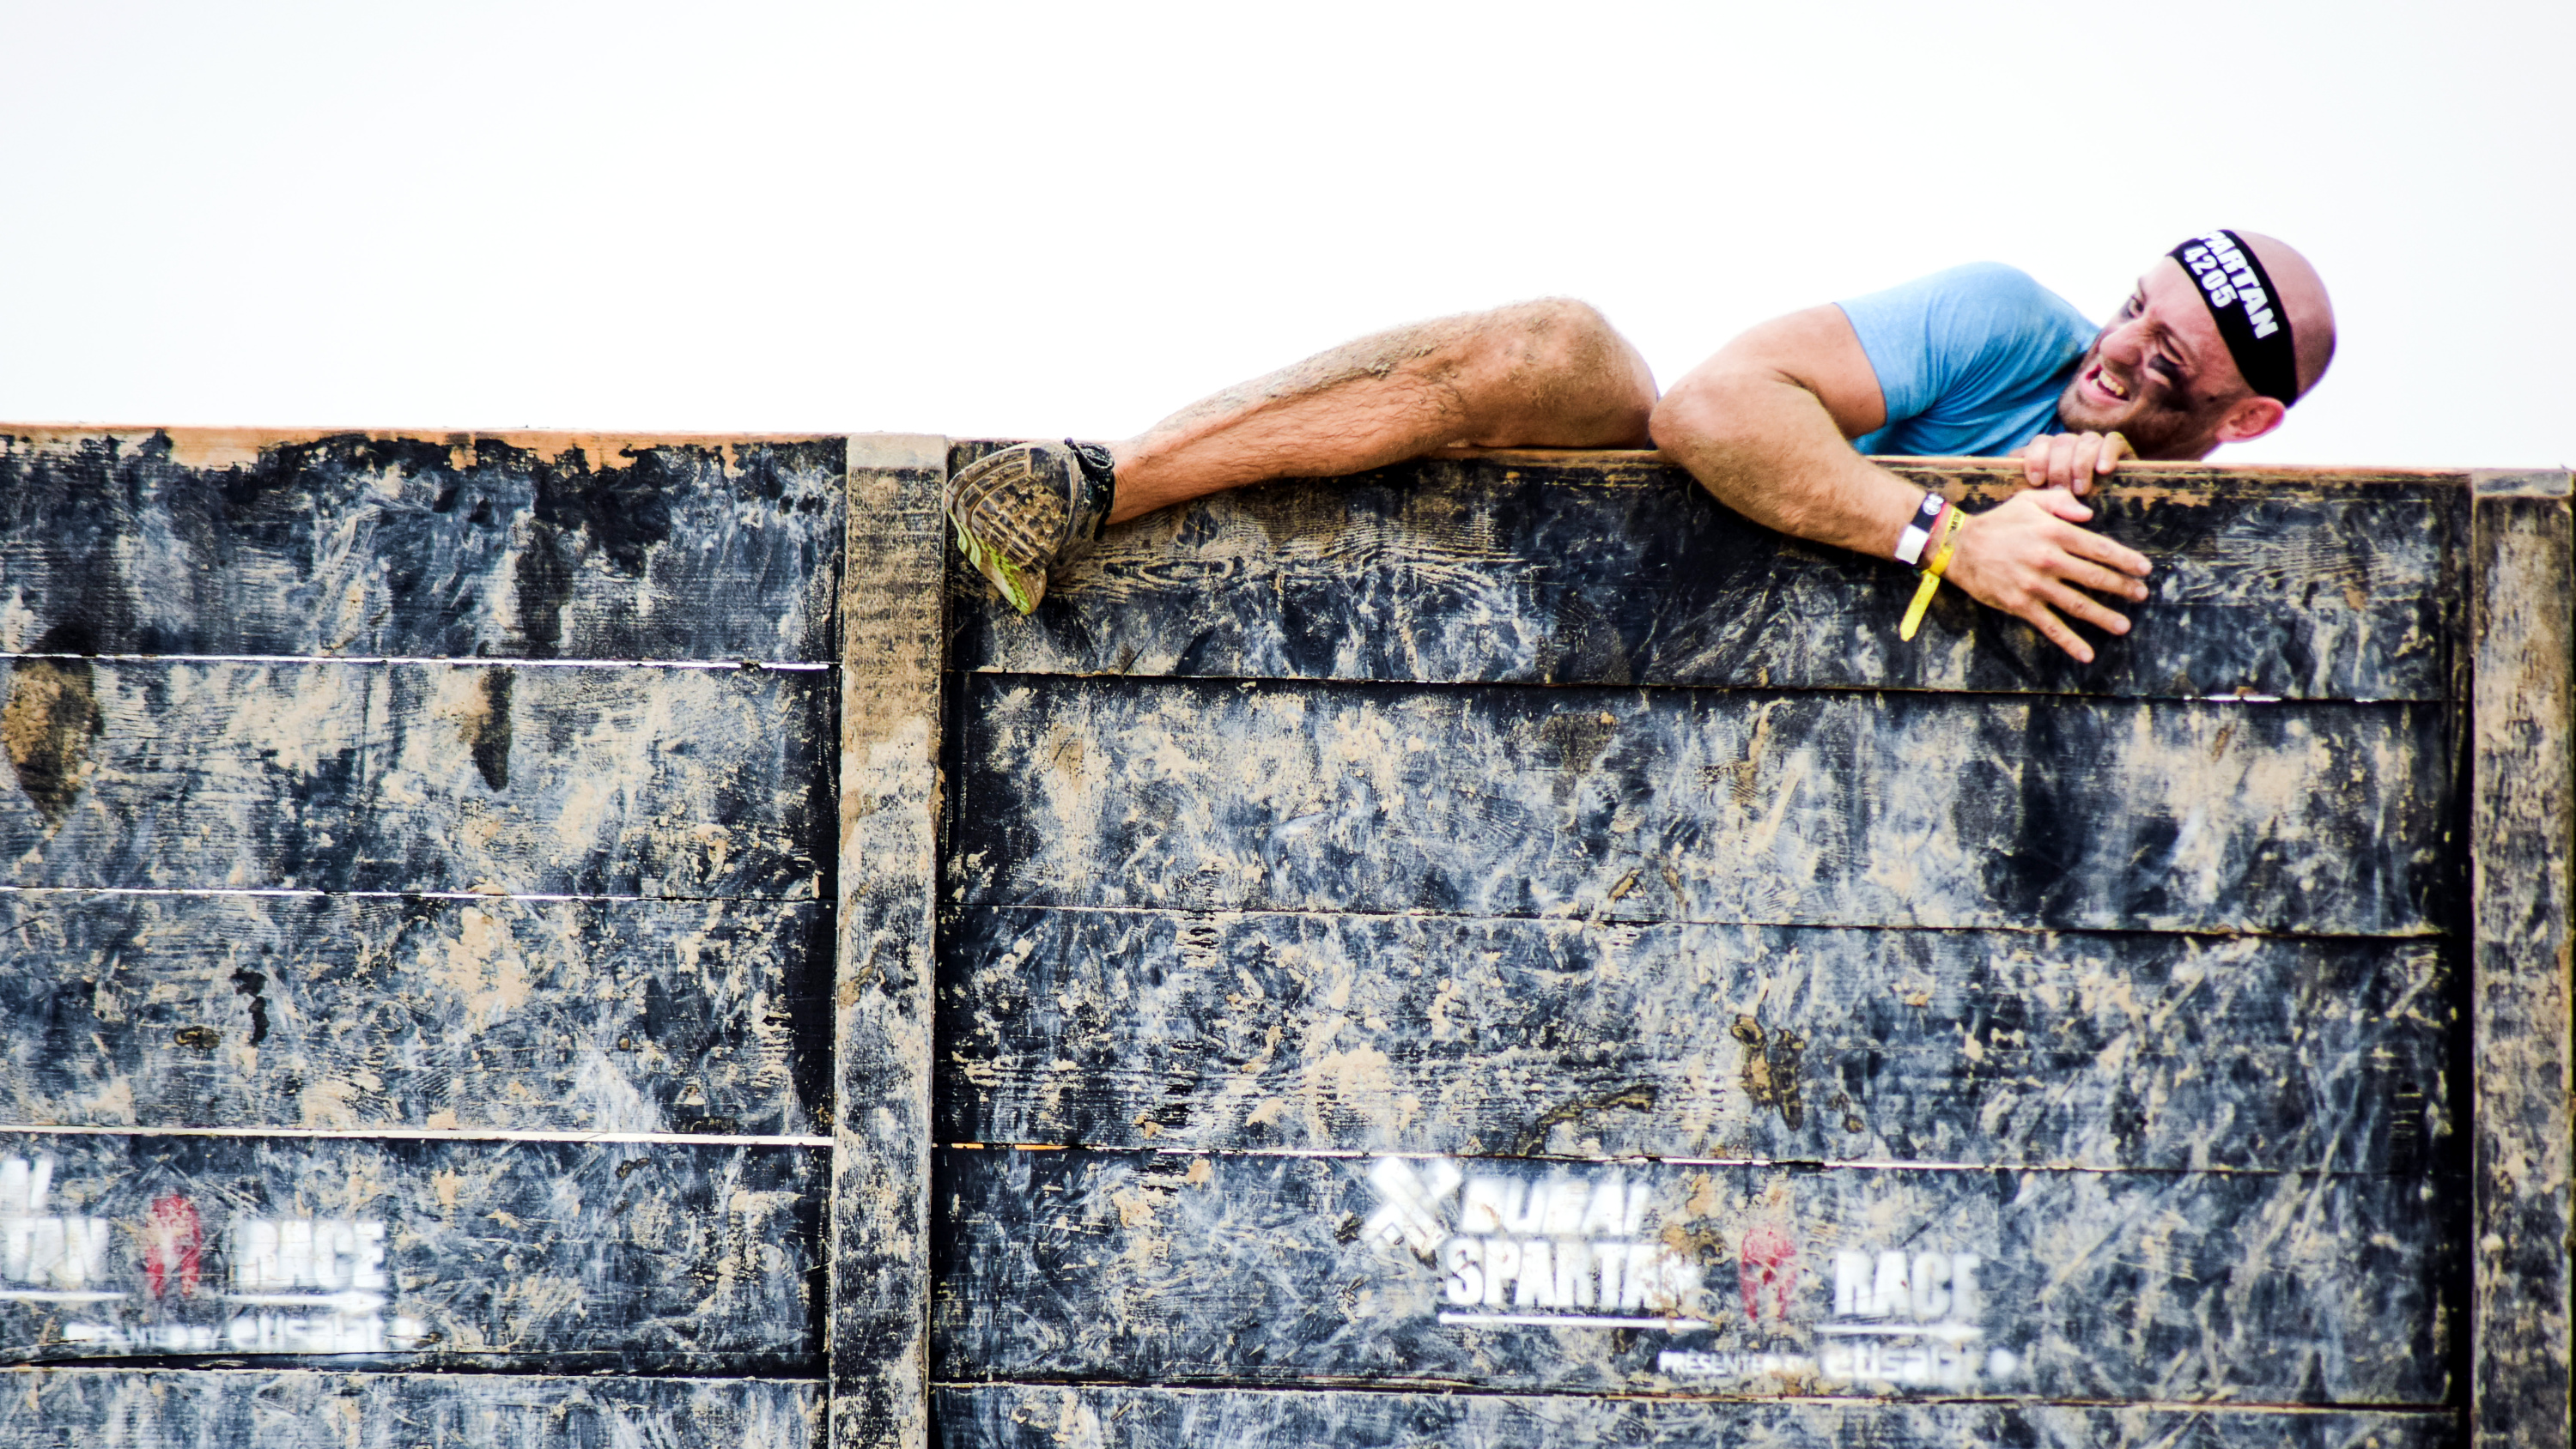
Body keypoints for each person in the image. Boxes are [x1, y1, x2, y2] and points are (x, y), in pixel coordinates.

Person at [945, 230, 2336, 663]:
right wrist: (1953, 534)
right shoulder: (2007, 323)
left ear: (2245, 421)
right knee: (1558, 343)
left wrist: (2070, 488)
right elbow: (1713, 412)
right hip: (1678, 558)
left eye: (2162, 366)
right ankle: (1098, 486)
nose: (2113, 355)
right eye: (2133, 307)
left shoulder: (2236, 556)